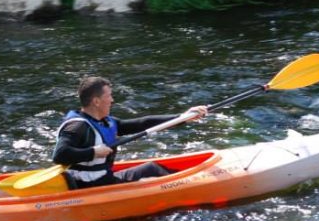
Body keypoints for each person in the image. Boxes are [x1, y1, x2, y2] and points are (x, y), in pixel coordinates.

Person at [52, 77, 208, 189]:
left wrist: (182, 117)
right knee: (151, 177)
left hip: (104, 179)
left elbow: (143, 123)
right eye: (109, 96)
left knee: (152, 168)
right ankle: (195, 186)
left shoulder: (105, 121)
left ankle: (191, 182)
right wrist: (93, 152)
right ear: (96, 101)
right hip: (93, 186)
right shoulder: (77, 127)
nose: (112, 100)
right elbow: (60, 155)